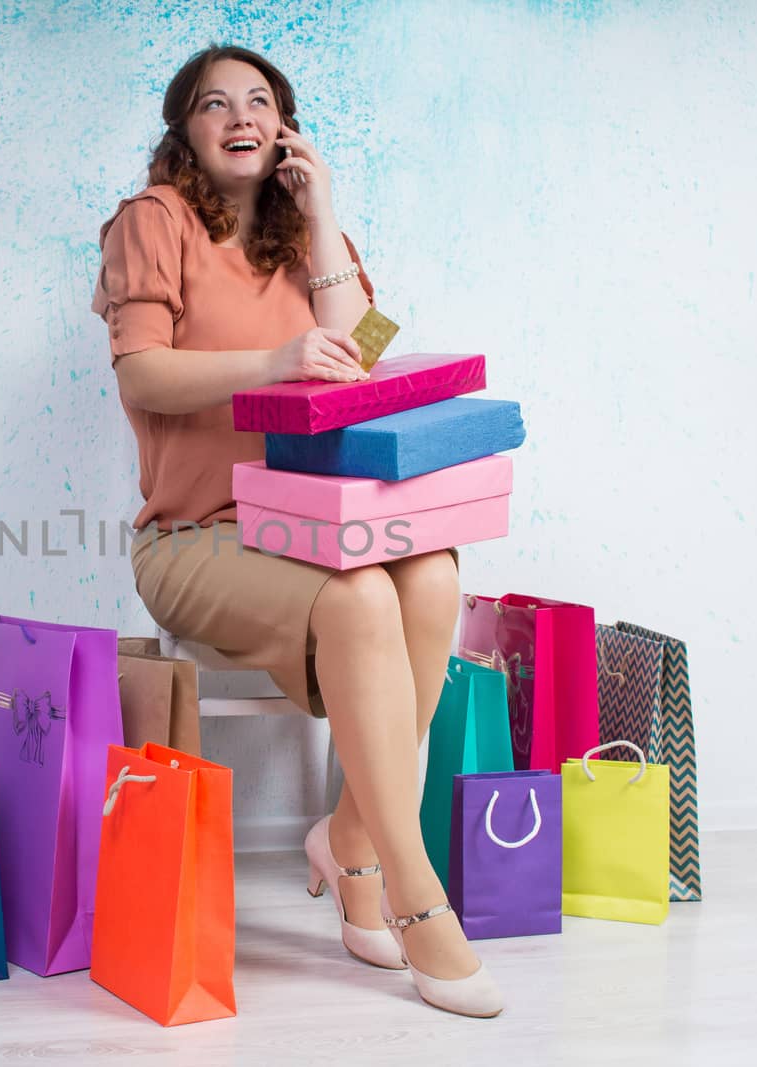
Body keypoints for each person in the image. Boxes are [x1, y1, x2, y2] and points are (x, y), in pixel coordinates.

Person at [90, 44, 503, 1019]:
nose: (240, 114)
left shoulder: (310, 235)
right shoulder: (152, 222)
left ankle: (350, 839)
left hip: (316, 520)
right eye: (213, 103)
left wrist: (321, 217)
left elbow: (363, 357)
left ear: (284, 129)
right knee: (361, 593)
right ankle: (414, 892)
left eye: (260, 102)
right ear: (183, 129)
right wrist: (272, 357)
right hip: (194, 536)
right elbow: (142, 372)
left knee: (436, 569)